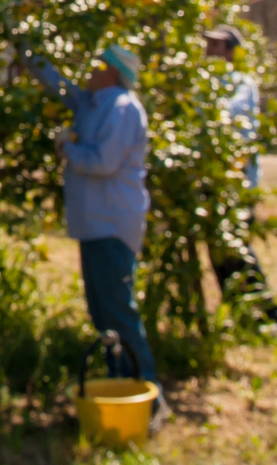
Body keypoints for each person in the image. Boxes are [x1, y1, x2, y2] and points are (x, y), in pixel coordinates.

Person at [22, 43, 166, 428]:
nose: (91, 68)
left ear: (112, 72)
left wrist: (68, 148)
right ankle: (121, 385)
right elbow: (58, 85)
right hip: (94, 224)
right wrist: (23, 45)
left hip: (113, 224)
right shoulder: (92, 102)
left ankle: (149, 395)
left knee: (119, 309)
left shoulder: (122, 107)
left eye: (99, 64)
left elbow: (103, 162)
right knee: (103, 312)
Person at [202, 25, 277, 325]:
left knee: (236, 248)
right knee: (217, 252)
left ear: (231, 52)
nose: (210, 51)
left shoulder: (241, 84)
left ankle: (268, 315)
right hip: (211, 181)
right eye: (208, 45)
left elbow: (232, 119)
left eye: (218, 46)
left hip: (237, 182)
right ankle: (240, 311)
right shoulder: (201, 85)